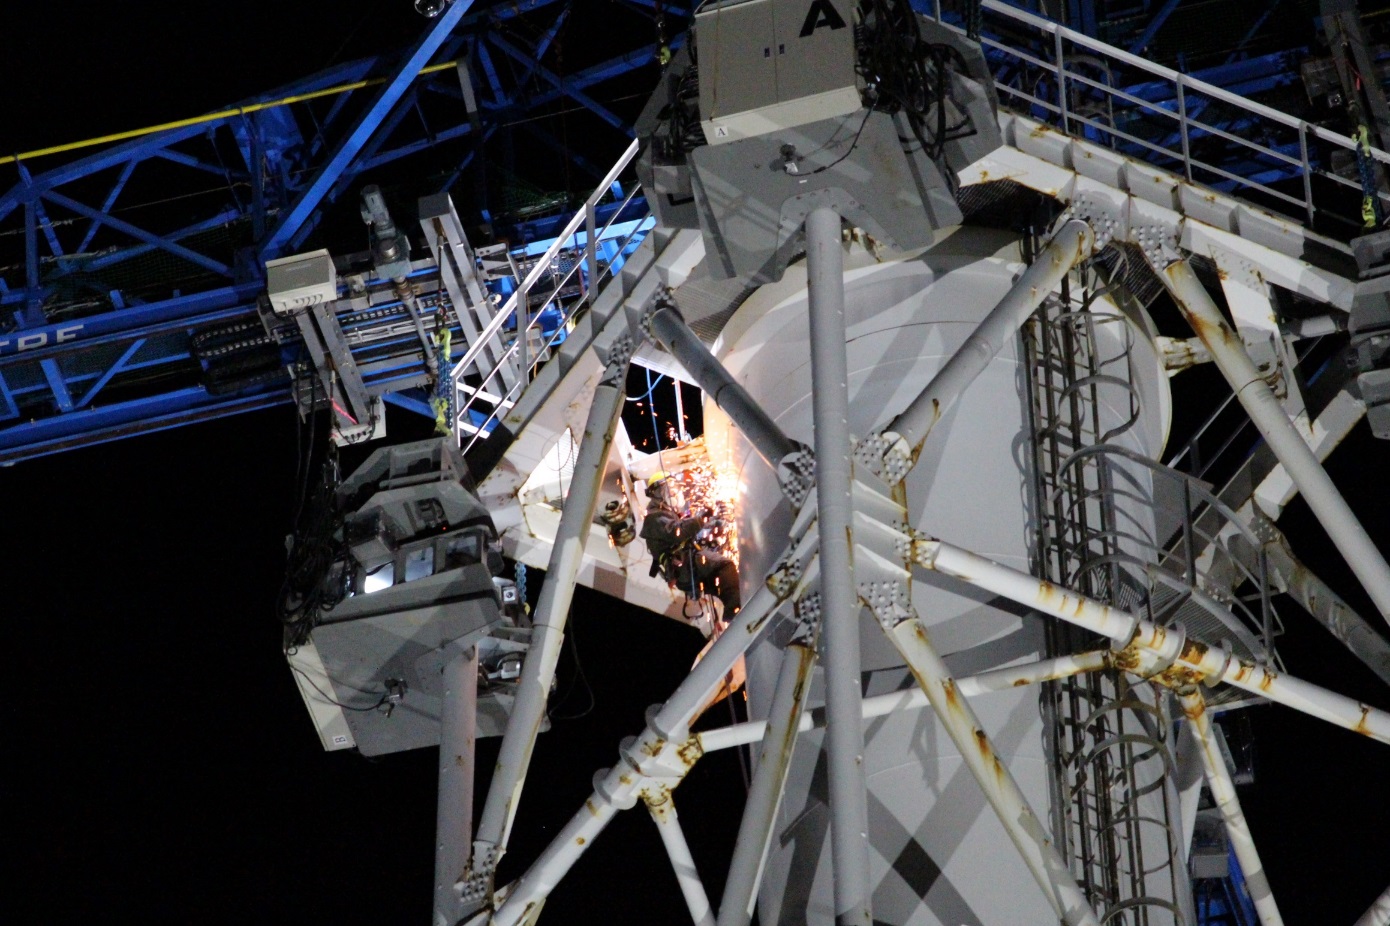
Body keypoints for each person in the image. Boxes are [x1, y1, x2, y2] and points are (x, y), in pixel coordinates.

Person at [640, 472, 741, 617]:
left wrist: (714, 520)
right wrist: (703, 518)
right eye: (670, 489)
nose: (674, 494)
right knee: (724, 566)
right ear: (657, 494)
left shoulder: (667, 515)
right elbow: (678, 532)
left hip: (687, 571)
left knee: (719, 585)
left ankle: (734, 612)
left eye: (675, 489)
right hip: (686, 565)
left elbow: (689, 529)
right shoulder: (654, 519)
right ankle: (735, 613)